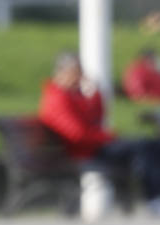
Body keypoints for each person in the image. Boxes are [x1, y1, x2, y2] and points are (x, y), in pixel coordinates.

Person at [38, 50, 160, 213]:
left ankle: (154, 196)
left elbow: (96, 118)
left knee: (150, 145)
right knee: (143, 146)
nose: (79, 77)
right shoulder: (57, 98)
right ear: (62, 73)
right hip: (84, 152)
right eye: (75, 72)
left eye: (80, 72)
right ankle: (153, 198)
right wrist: (109, 137)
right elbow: (77, 134)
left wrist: (94, 94)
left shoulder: (73, 95)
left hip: (94, 147)